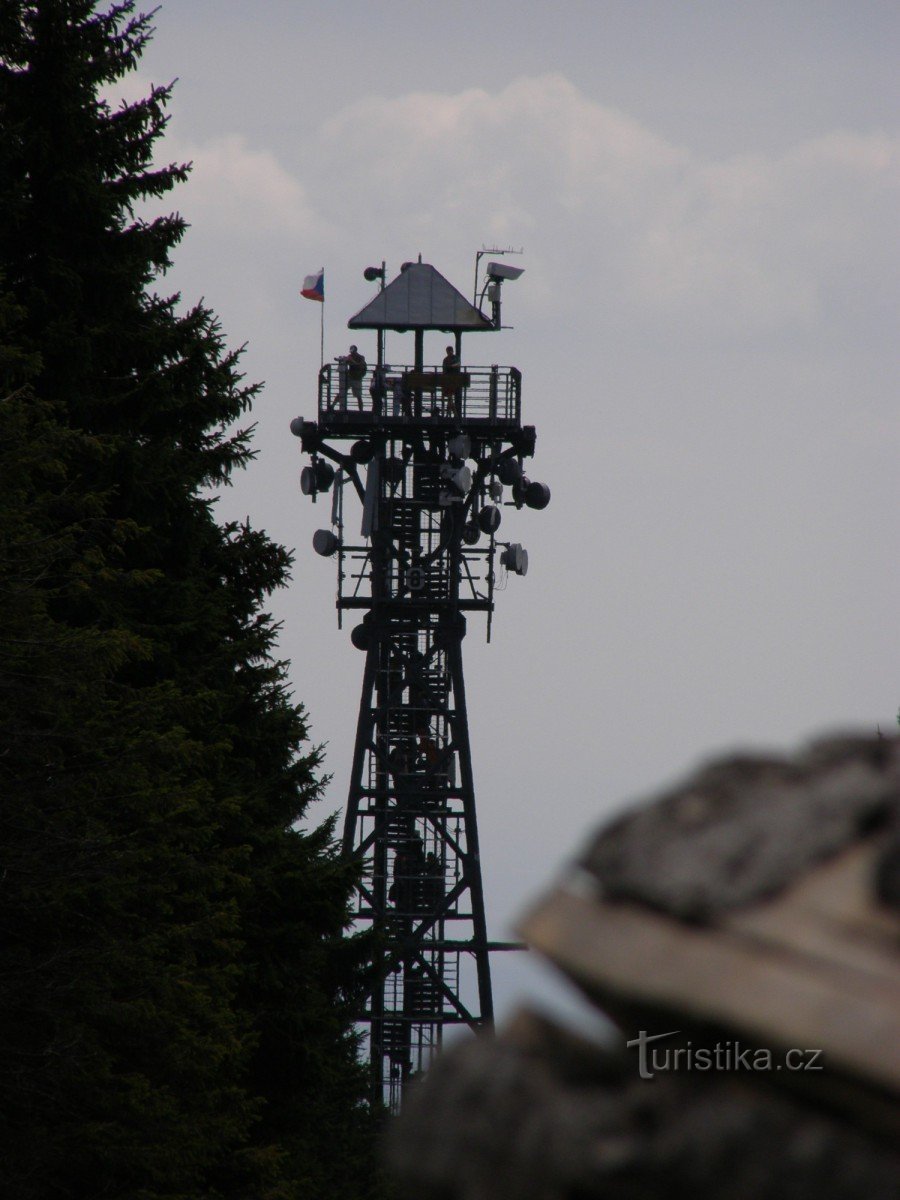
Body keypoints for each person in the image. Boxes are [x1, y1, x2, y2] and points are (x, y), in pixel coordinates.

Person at [340, 344, 367, 410]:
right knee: (342, 392)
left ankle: (361, 411)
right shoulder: (350, 356)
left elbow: (360, 365)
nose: (352, 353)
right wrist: (343, 359)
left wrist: (352, 361)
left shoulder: (361, 357)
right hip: (351, 377)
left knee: (359, 396)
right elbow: (346, 360)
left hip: (357, 378)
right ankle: (332, 406)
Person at [441, 344, 461, 416]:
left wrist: (451, 366)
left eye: (449, 351)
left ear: (452, 351)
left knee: (450, 397)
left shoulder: (455, 358)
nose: (448, 353)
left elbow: (458, 364)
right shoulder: (445, 359)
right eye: (447, 352)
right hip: (448, 380)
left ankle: (449, 414)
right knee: (450, 398)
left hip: (454, 380)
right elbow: (444, 369)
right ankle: (453, 414)